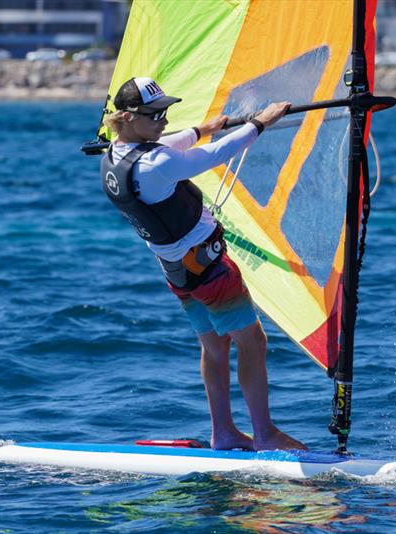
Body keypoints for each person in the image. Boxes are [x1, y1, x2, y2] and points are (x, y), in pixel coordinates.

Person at [100, 77, 306, 451]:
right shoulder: (157, 163)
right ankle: (264, 433)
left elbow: (162, 145)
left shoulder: (115, 157)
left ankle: (224, 432)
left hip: (179, 275)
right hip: (211, 271)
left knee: (214, 348)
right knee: (252, 342)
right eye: (155, 114)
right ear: (129, 117)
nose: (164, 120)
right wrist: (261, 122)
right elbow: (214, 156)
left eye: (166, 112)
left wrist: (200, 129)